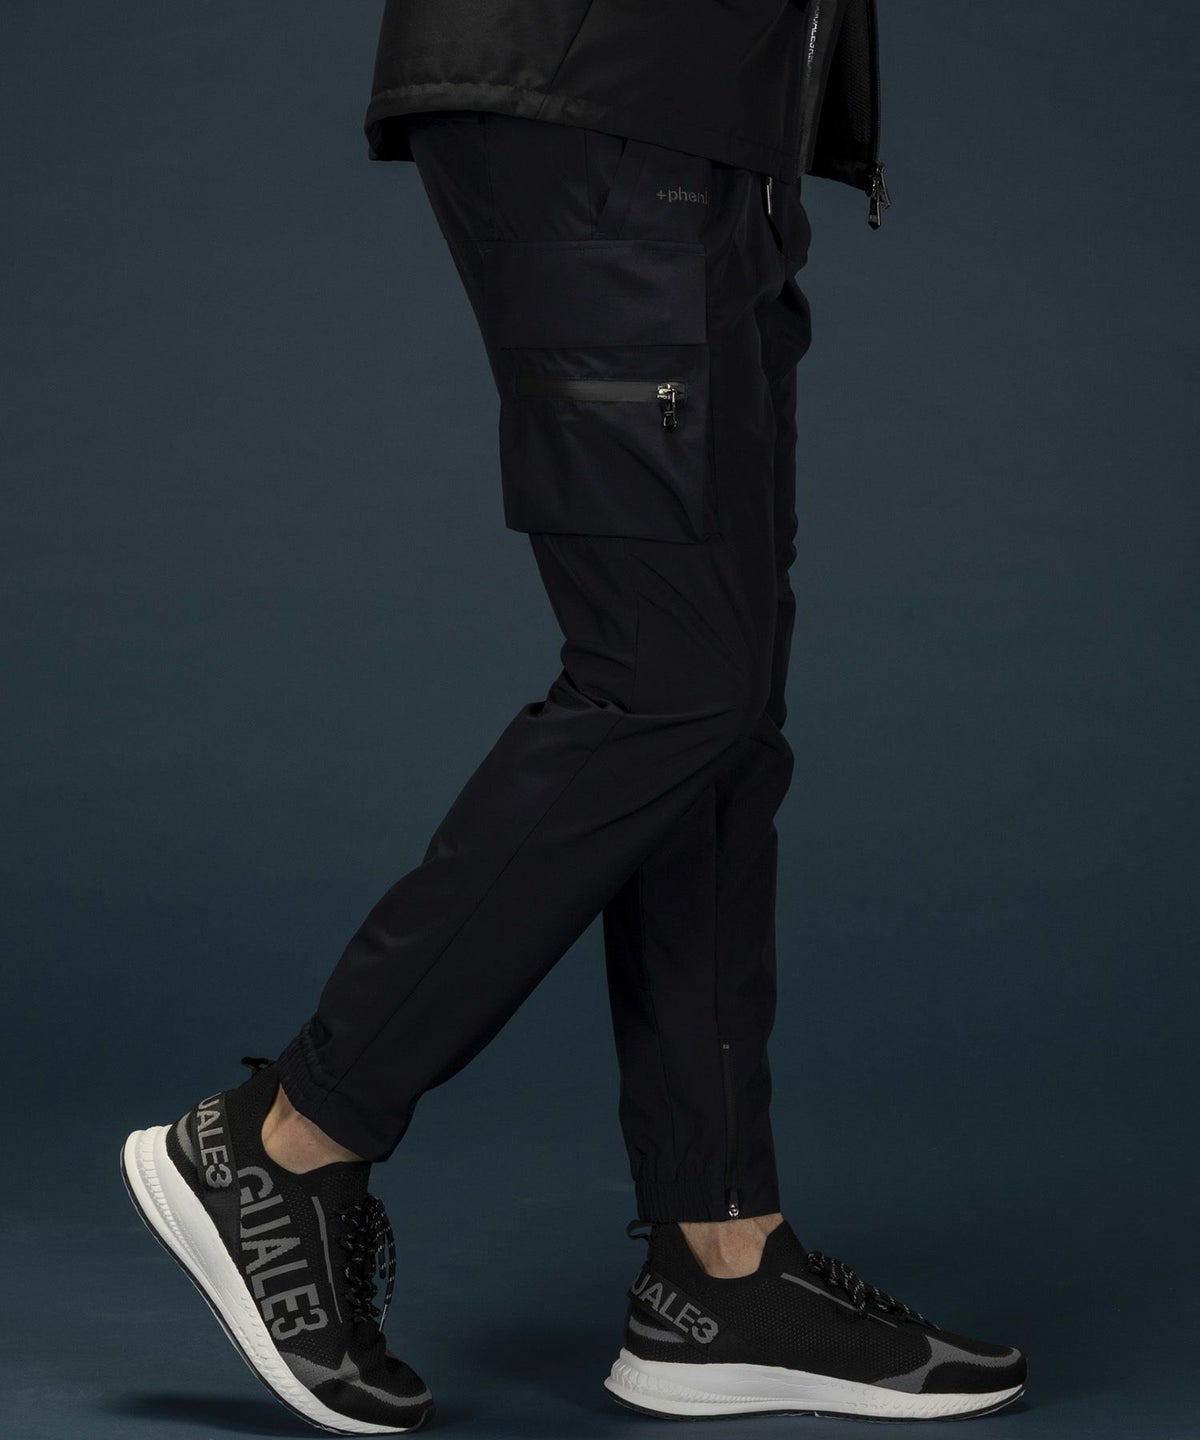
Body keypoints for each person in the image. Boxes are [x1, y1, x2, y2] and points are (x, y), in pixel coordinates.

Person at [120, 3, 1027, 1433]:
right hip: (607, 88)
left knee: (724, 715)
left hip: (707, 115)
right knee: (672, 679)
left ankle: (721, 1267)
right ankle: (285, 1139)